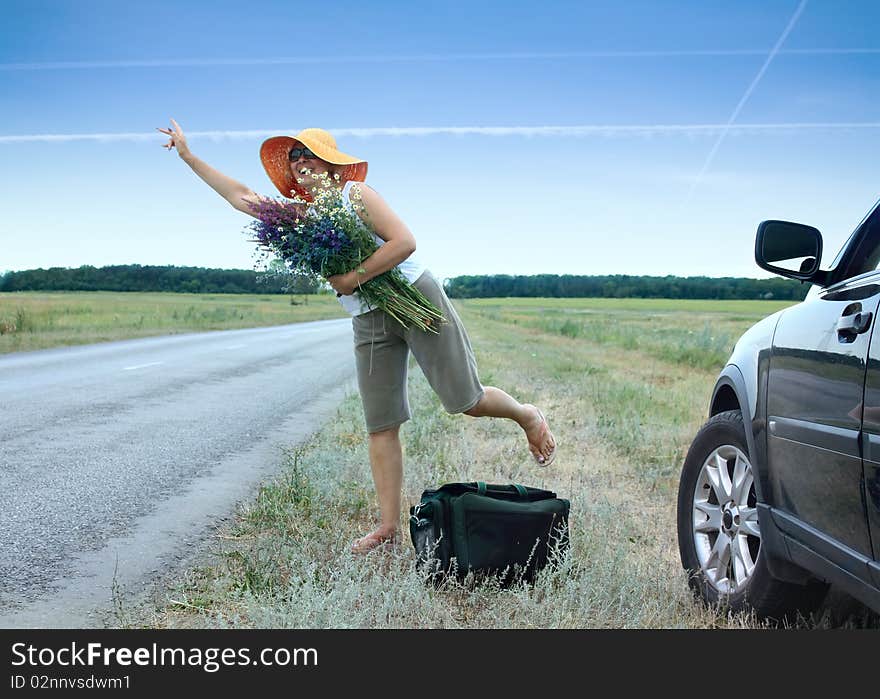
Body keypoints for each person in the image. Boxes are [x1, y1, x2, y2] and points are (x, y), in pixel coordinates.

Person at [157, 120, 557, 553]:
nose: (299, 162)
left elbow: (404, 242)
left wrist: (353, 276)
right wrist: (189, 156)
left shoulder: (355, 197)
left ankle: (527, 415)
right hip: (368, 317)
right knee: (380, 423)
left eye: (307, 154)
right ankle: (387, 529)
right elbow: (243, 198)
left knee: (467, 402)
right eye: (293, 157)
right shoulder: (303, 218)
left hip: (414, 297)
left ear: (330, 164)